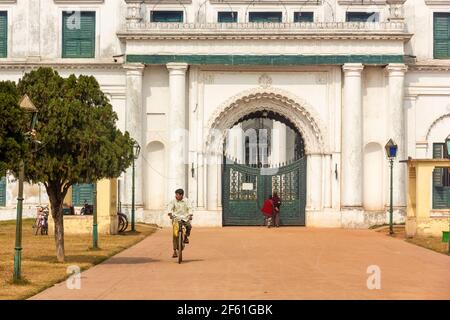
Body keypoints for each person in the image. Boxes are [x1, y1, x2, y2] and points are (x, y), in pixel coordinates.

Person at [167, 188, 193, 258]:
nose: (176, 196)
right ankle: (175, 251)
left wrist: (190, 215)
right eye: (176, 195)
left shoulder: (186, 201)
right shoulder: (173, 201)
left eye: (177, 195)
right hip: (176, 218)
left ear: (181, 195)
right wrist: (170, 214)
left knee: (189, 226)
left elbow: (190, 208)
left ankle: (186, 237)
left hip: (185, 218)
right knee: (175, 235)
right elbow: (169, 207)